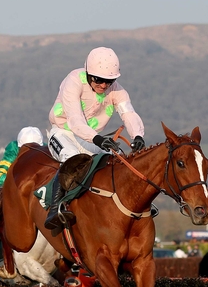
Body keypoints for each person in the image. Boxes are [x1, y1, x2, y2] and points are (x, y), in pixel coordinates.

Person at [44, 47, 146, 230]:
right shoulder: (74, 80)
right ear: (89, 74)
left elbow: (128, 113)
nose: (104, 86)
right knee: (71, 158)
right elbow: (75, 121)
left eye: (109, 81)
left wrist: (137, 135)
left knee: (118, 159)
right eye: (99, 80)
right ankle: (55, 209)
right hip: (63, 132)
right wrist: (98, 139)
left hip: (91, 138)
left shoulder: (117, 91)